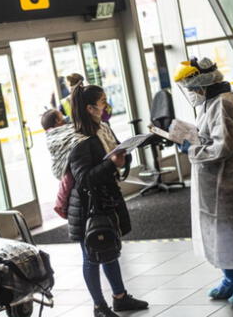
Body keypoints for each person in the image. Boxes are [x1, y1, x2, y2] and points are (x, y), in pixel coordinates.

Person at [173, 57, 233, 305]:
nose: (192, 93)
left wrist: (192, 150)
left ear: (203, 83)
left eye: (192, 87)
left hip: (230, 177)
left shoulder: (224, 103)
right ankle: (231, 277)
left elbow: (223, 146)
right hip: (212, 179)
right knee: (220, 231)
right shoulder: (210, 102)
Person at [67, 84, 148, 317]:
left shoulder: (103, 129)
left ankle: (120, 298)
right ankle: (99, 306)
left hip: (104, 201)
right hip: (87, 208)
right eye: (102, 101)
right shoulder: (79, 140)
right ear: (90, 108)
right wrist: (112, 163)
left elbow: (113, 155)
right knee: (91, 256)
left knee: (109, 249)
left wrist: (124, 155)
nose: (106, 104)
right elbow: (84, 179)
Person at [41, 109, 86, 219]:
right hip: (62, 164)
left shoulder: (65, 127)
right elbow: (67, 140)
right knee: (68, 178)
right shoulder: (54, 134)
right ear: (58, 121)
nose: (65, 117)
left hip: (68, 160)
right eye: (62, 116)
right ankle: (60, 204)